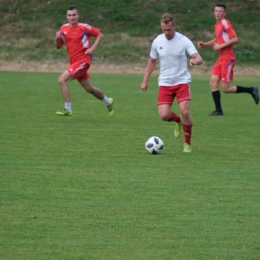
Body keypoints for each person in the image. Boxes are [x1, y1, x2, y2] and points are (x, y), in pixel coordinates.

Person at [141, 13, 203, 153]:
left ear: (174, 26)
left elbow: (198, 57)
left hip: (182, 81)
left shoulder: (183, 40)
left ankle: (187, 144)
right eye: (164, 30)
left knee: (185, 111)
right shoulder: (157, 41)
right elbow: (152, 61)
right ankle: (178, 121)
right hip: (165, 83)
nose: (166, 33)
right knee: (164, 116)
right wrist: (145, 80)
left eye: (169, 29)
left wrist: (195, 61)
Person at [198, 3, 259, 116]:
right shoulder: (217, 25)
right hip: (221, 57)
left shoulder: (225, 23)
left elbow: (235, 39)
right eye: (216, 11)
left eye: (220, 11)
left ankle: (251, 90)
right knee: (213, 82)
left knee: (225, 88)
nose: (218, 13)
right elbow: (218, 39)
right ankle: (218, 111)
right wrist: (206, 44)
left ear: (224, 13)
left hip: (228, 57)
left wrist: (219, 47)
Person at [55, 5, 114, 117]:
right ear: (67, 16)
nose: (72, 17)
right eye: (69, 15)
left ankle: (67, 109)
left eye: (74, 15)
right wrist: (57, 38)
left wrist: (92, 49)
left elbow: (100, 35)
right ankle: (108, 101)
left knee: (62, 80)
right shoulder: (64, 28)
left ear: (78, 15)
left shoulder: (84, 27)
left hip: (83, 61)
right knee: (89, 89)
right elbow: (58, 46)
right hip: (74, 63)